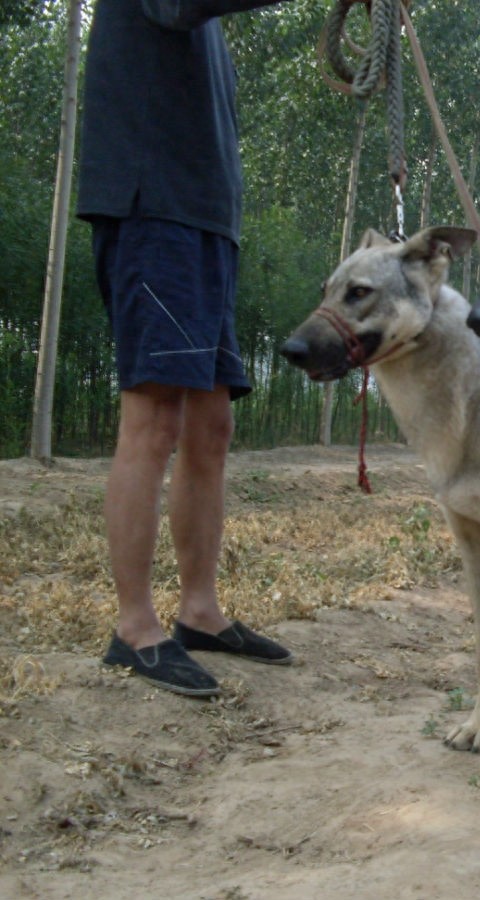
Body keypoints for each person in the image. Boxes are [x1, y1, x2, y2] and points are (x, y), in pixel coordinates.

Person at [77, 0, 294, 696]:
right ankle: (134, 628)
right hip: (154, 208)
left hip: (205, 217)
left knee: (211, 424)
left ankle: (199, 612)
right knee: (155, 418)